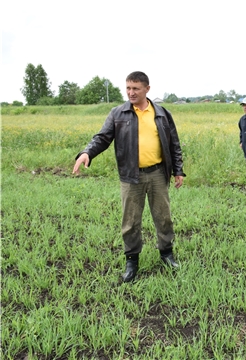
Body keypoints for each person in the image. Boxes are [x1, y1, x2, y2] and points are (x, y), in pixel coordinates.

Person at [72, 71, 185, 283]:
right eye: (128, 88)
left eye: (136, 89)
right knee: (131, 221)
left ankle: (166, 254)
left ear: (147, 89)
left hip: (158, 174)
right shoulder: (118, 113)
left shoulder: (161, 113)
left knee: (163, 217)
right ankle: (132, 262)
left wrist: (178, 170)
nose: (131, 93)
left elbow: (174, 144)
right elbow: (102, 138)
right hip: (130, 177)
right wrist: (87, 152)